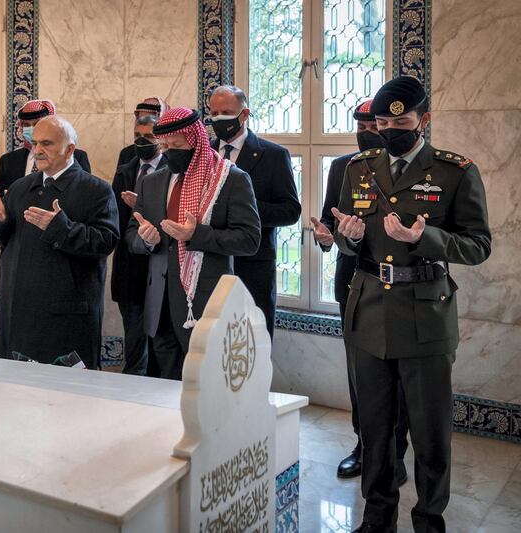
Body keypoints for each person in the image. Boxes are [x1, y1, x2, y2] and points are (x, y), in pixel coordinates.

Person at [333, 76, 491, 532]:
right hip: (369, 314)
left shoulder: (454, 171)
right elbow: (350, 240)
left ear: (424, 118)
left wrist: (427, 238)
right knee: (377, 431)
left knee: (429, 433)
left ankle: (428, 520)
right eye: (383, 121)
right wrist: (350, 238)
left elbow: (478, 245)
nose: (390, 128)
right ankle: (376, 519)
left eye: (400, 120)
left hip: (426, 315)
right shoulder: (358, 169)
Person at [312, 100, 410, 483]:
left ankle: (396, 452)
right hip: (353, 285)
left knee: (399, 375)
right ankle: (365, 444)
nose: (366, 131)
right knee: (360, 375)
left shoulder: (407, 171)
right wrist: (324, 237)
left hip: (400, 287)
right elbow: (328, 220)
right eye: (360, 125)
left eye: (373, 125)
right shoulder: (343, 168)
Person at [126, 107, 261, 380]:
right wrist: (145, 240)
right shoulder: (152, 183)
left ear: (196, 141)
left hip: (204, 302)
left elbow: (249, 239)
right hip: (161, 303)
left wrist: (196, 235)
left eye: (176, 146)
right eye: (164, 146)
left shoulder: (230, 179)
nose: (168, 152)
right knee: (166, 386)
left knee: (206, 385)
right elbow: (132, 233)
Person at [0, 116, 119, 369]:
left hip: (65, 318)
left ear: (70, 149)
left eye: (46, 143)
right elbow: (0, 237)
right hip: (17, 314)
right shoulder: (19, 188)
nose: (37, 150)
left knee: (66, 400)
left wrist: (60, 228)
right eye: (34, 143)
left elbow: (105, 242)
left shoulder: (96, 191)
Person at [207, 85, 301, 337]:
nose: (219, 120)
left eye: (226, 112)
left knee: (252, 341)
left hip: (253, 266)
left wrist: (243, 210)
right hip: (210, 262)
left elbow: (290, 211)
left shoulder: (273, 155)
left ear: (244, 114)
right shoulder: (204, 152)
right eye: (213, 113)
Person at [111, 115, 168, 375]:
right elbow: (112, 216)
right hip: (130, 265)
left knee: (161, 342)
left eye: (148, 136)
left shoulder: (172, 167)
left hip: (160, 265)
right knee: (133, 337)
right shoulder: (126, 165)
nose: (142, 142)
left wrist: (145, 207)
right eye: (137, 136)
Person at [0, 99, 91, 194]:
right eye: (26, 125)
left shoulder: (77, 156)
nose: (32, 129)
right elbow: (1, 197)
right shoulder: (8, 161)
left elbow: (84, 193)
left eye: (37, 123)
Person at [116, 96, 170, 171]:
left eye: (150, 118)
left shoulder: (172, 157)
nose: (144, 122)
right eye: (140, 119)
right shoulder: (127, 154)